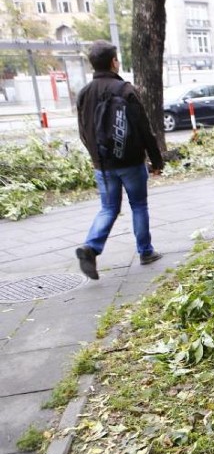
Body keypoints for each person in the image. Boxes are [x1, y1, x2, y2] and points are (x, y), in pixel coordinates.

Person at [75, 40, 164, 280]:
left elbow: (83, 131)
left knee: (108, 207)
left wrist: (95, 157)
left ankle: (91, 247)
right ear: (114, 62)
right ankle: (145, 251)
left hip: (102, 165)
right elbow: (144, 128)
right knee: (139, 205)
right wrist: (156, 160)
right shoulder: (125, 90)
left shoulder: (84, 93)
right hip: (131, 162)